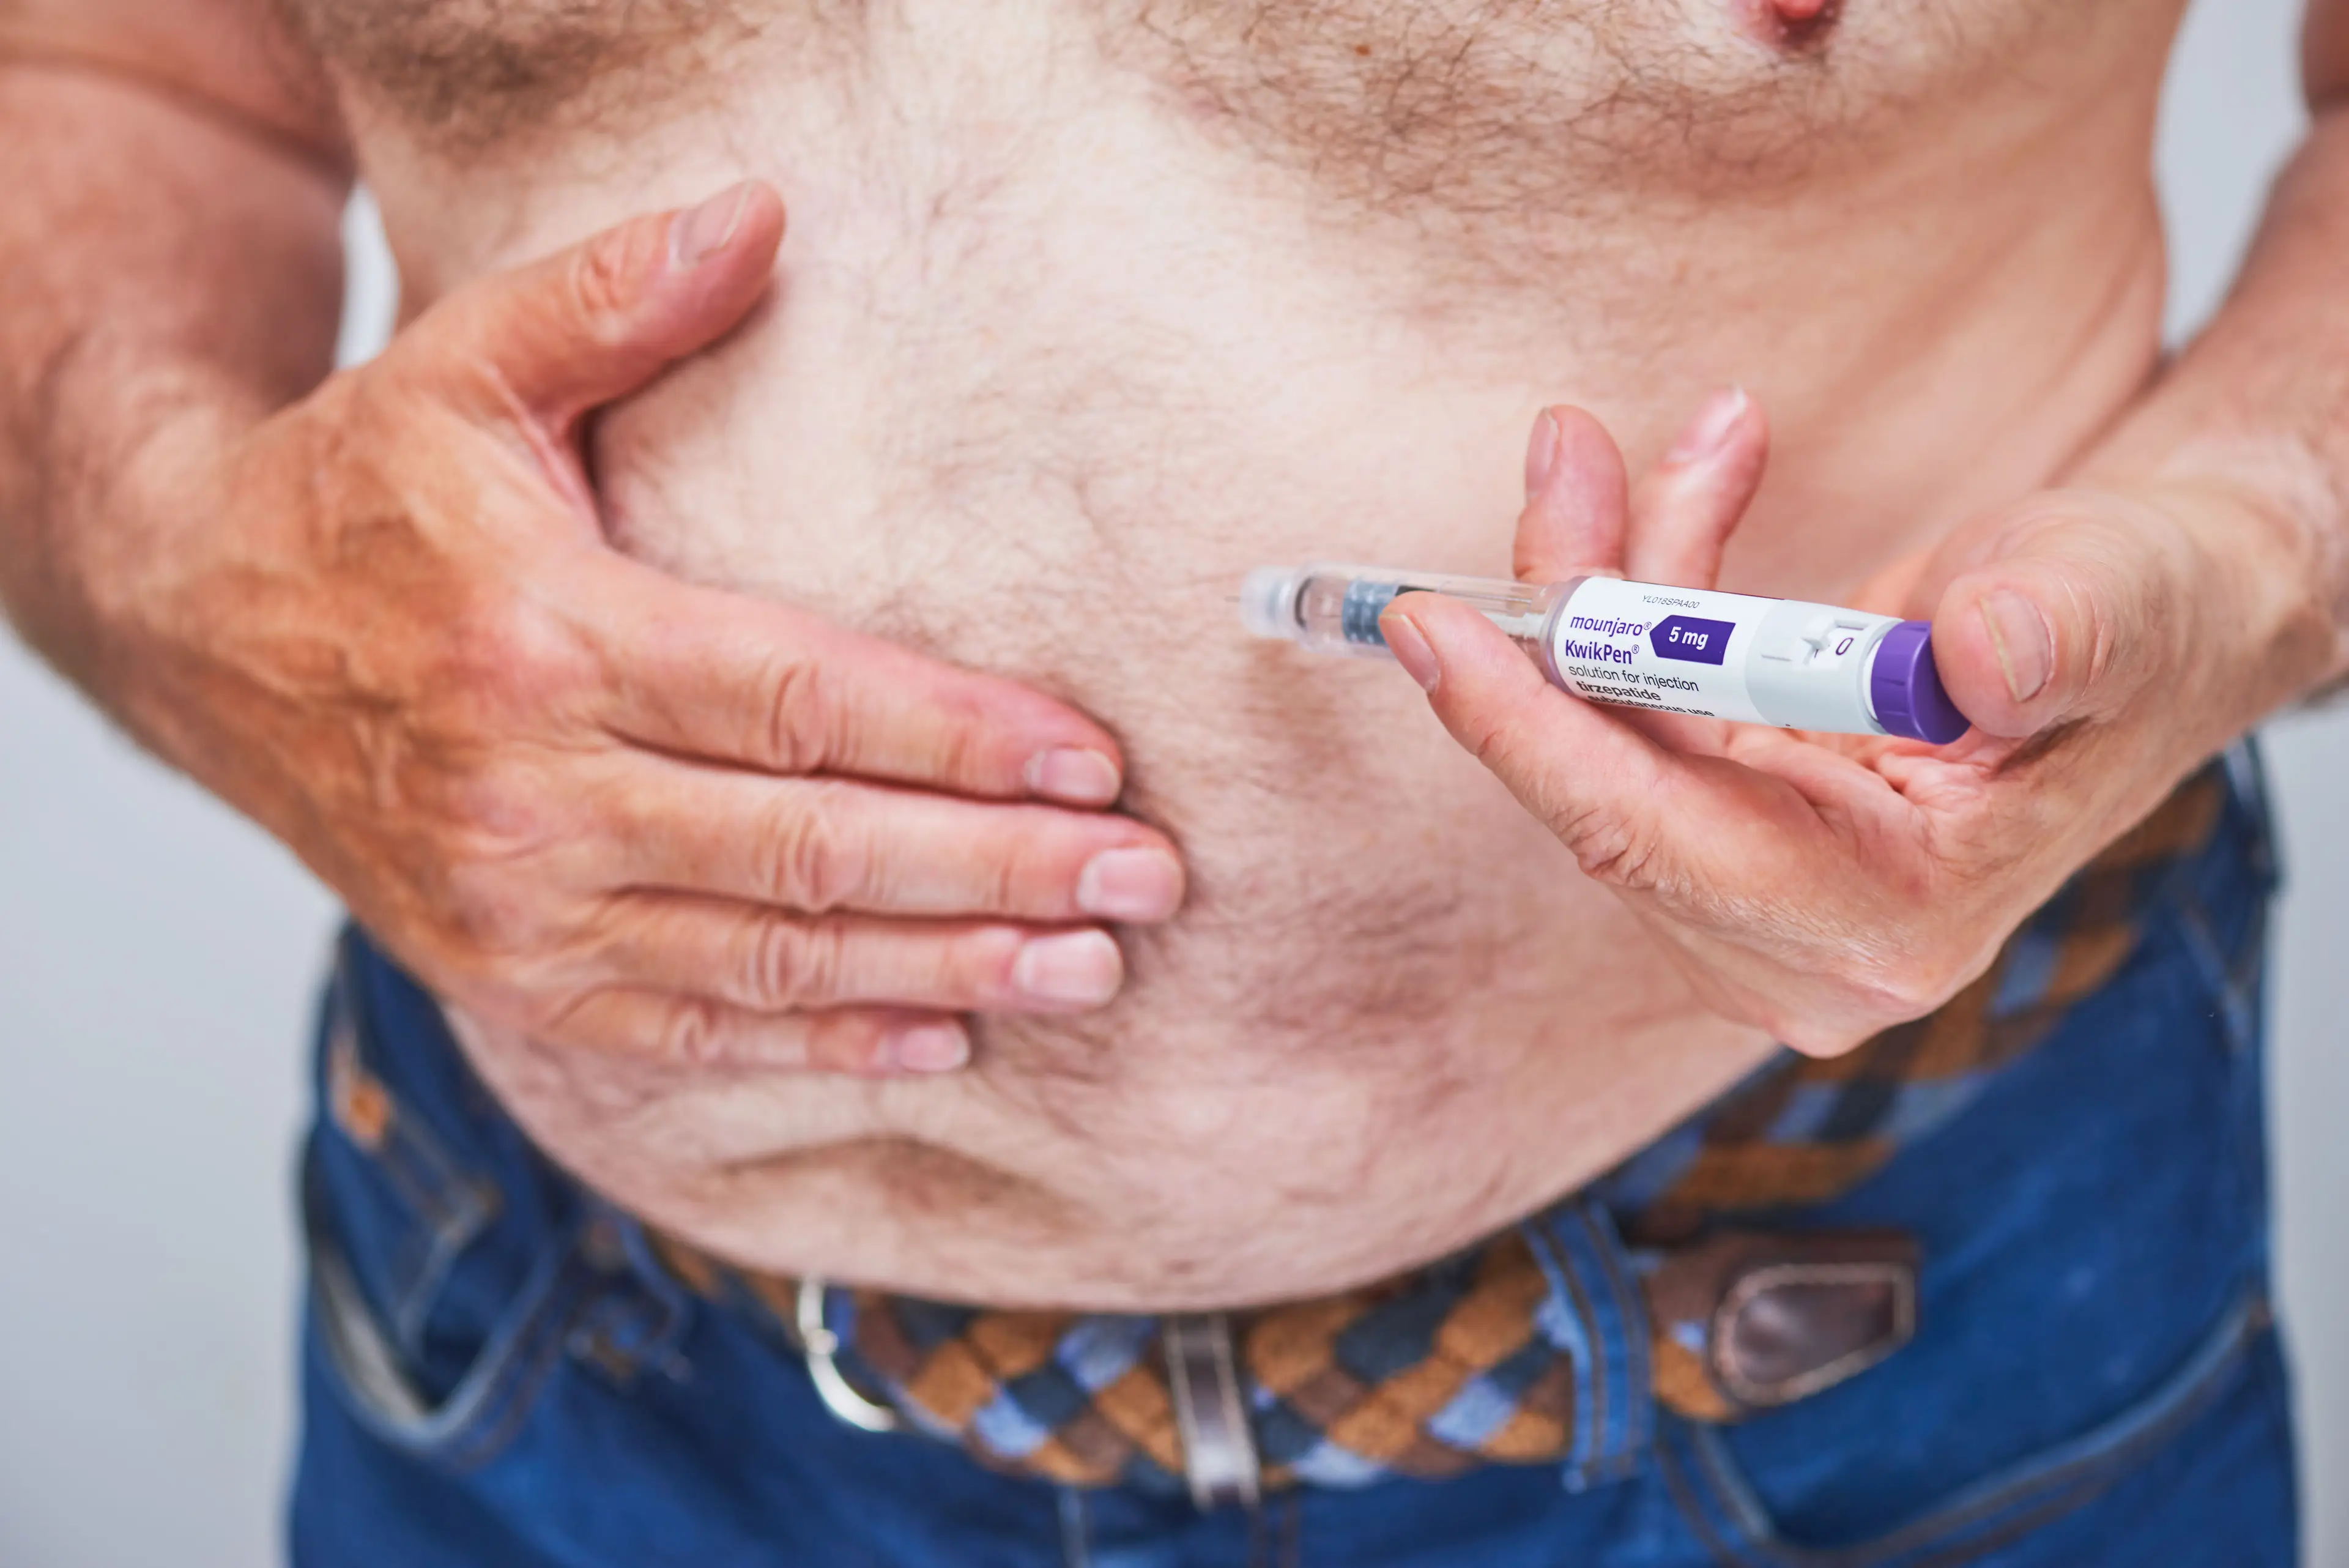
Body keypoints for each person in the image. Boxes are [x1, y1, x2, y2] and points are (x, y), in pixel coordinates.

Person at [0, 0, 2331, 1560]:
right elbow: (122, 65)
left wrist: (2238, 554)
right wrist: (162, 547)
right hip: (542, 1365)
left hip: (1850, 1372)